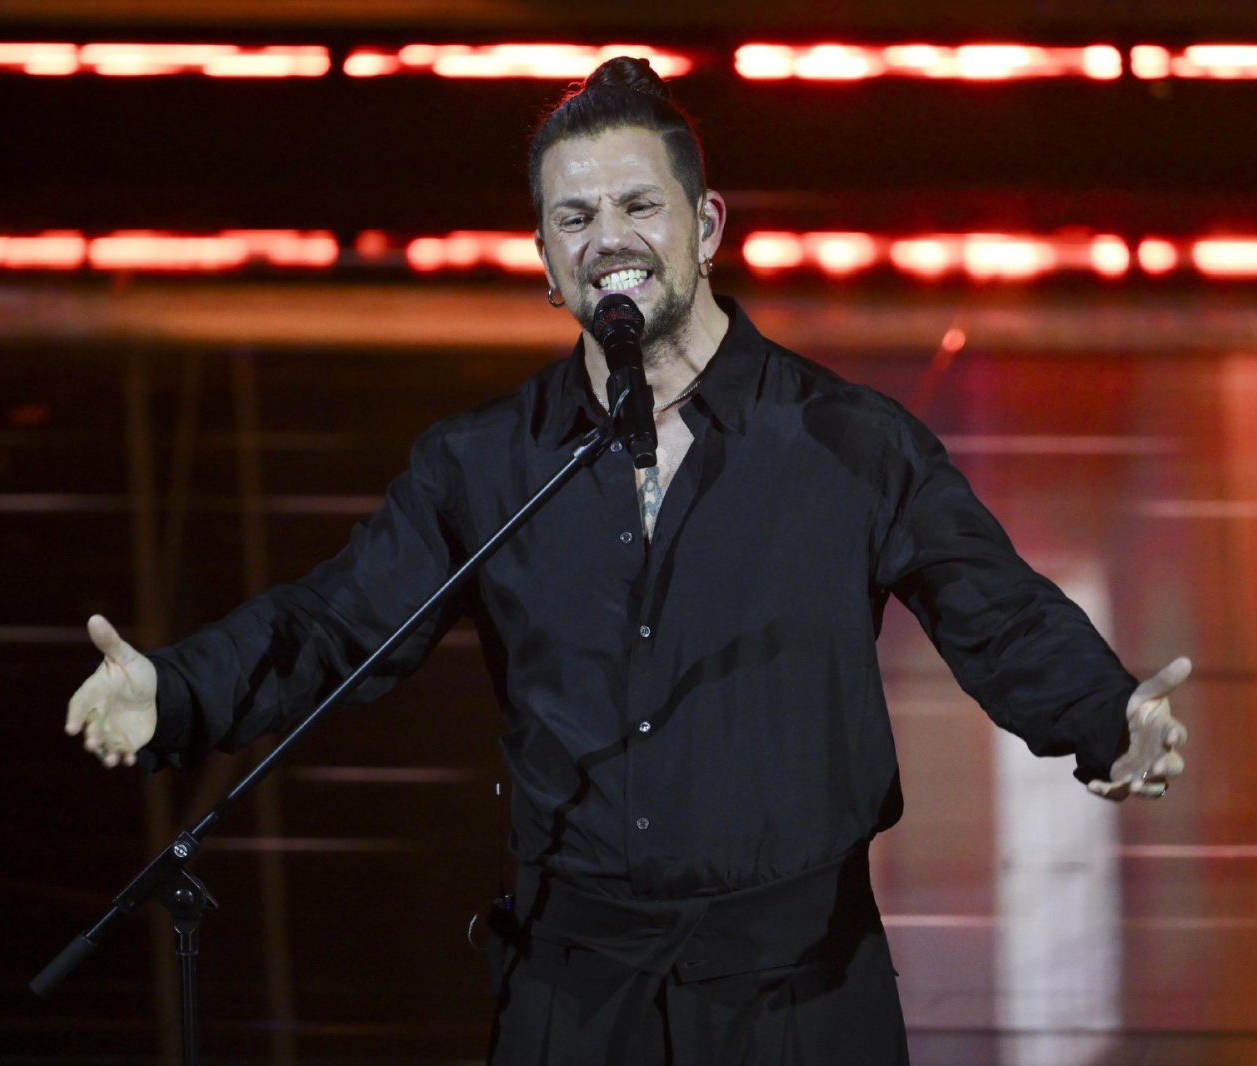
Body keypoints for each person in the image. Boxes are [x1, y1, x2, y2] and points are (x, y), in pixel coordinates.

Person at [65, 57, 1190, 1065]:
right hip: (572, 995)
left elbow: (993, 609)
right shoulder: (483, 463)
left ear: (705, 226)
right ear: (548, 264)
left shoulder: (847, 443)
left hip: (797, 999)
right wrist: (174, 689)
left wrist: (1105, 714)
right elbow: (338, 623)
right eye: (574, 217)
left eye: (637, 206)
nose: (607, 236)